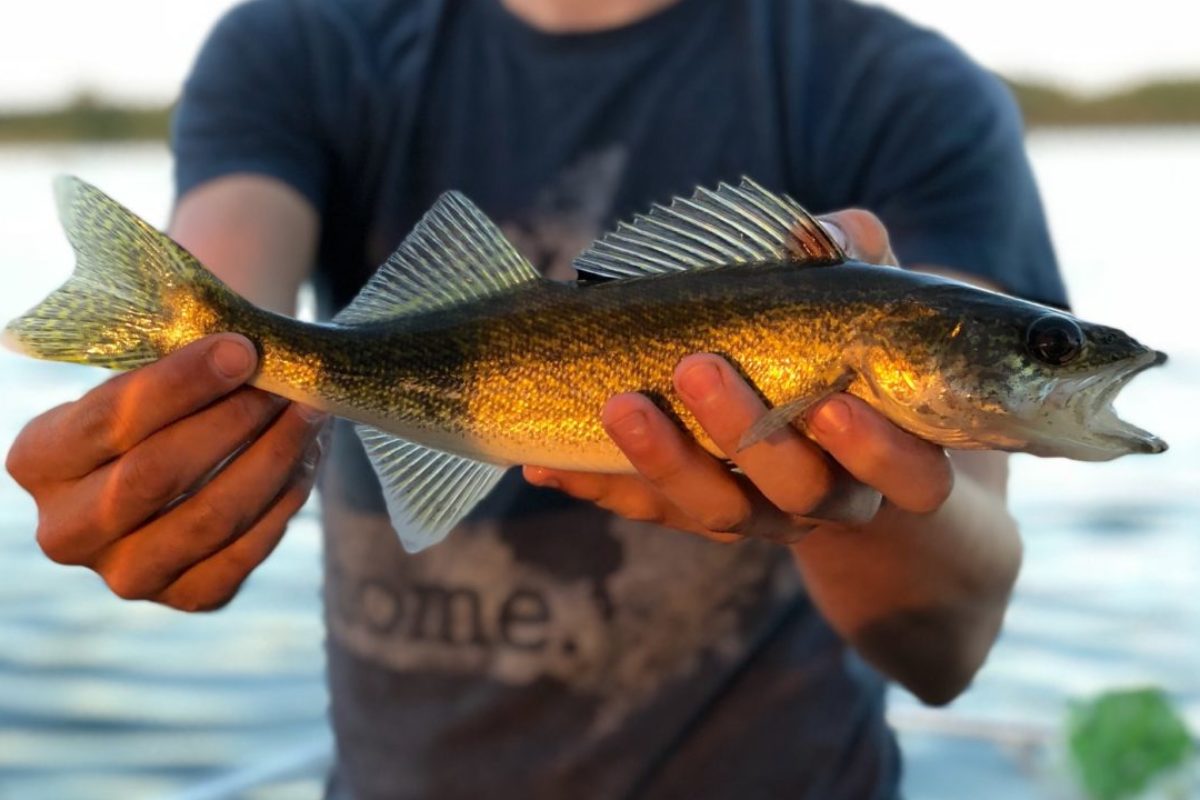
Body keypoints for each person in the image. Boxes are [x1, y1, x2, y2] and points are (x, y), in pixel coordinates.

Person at [7, 0, 1069, 797]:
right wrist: (175, 446)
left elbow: (950, 640)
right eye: (1046, 347)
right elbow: (226, 278)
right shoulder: (303, 42)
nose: (1050, 363)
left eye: (1045, 346)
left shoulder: (902, 89)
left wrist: (846, 503)